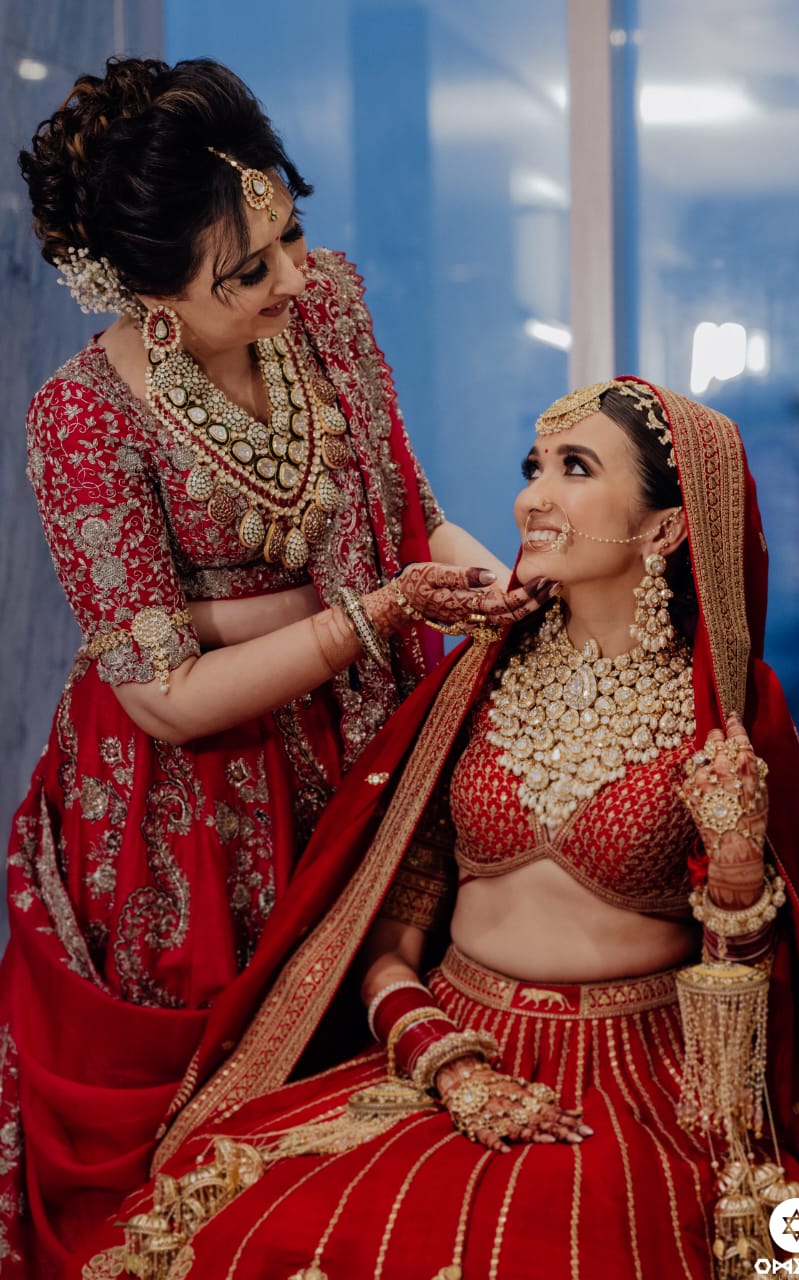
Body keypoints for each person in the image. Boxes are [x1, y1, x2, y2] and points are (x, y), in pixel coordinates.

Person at [73, 379, 799, 1280]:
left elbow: (760, 991)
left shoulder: (726, 713)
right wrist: (449, 1065)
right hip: (442, 1056)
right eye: (533, 467)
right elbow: (387, 925)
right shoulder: (477, 680)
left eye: (574, 468)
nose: (531, 496)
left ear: (665, 529)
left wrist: (732, 865)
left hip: (640, 1088)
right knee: (246, 1240)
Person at [0, 56, 550, 1276]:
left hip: (366, 744)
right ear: (145, 292)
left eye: (293, 233)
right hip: (191, 822)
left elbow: (403, 510)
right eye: (246, 273)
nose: (293, 279)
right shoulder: (84, 420)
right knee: (209, 1181)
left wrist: (489, 591)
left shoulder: (330, 303)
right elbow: (163, 692)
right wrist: (370, 612)